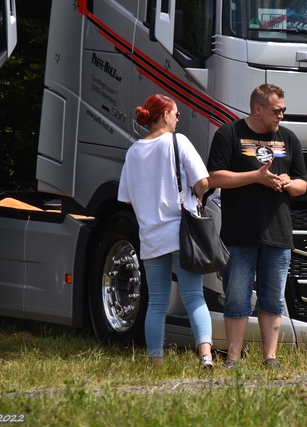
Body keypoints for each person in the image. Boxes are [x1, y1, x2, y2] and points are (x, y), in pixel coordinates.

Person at [206, 84, 307, 370]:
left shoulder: (288, 139)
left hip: (278, 233)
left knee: (272, 299)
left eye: (284, 110)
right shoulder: (229, 134)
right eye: (277, 111)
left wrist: (289, 183)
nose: (282, 116)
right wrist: (255, 176)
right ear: (258, 109)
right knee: (237, 298)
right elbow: (215, 178)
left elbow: (303, 184)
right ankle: (234, 359)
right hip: (239, 233)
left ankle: (270, 358)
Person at [117, 94, 213, 369]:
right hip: (182, 234)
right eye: (177, 114)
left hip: (150, 236)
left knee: (157, 302)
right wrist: (195, 195)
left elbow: (126, 197)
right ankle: (205, 356)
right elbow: (203, 182)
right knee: (193, 296)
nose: (178, 119)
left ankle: (155, 361)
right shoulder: (177, 141)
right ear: (165, 114)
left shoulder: (134, 151)